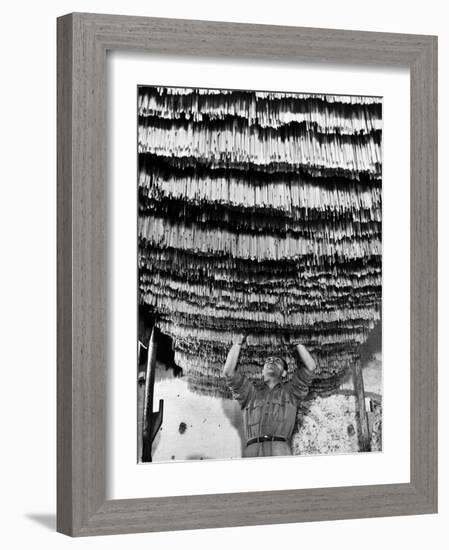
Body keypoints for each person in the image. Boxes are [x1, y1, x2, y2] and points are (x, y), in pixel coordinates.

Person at [222, 334, 316, 457]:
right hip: (252, 448)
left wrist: (298, 343)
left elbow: (311, 368)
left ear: (284, 373)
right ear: (262, 371)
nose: (271, 361)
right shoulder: (249, 393)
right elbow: (228, 373)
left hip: (280, 447)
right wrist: (237, 343)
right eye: (268, 360)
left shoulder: (292, 392)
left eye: (277, 361)